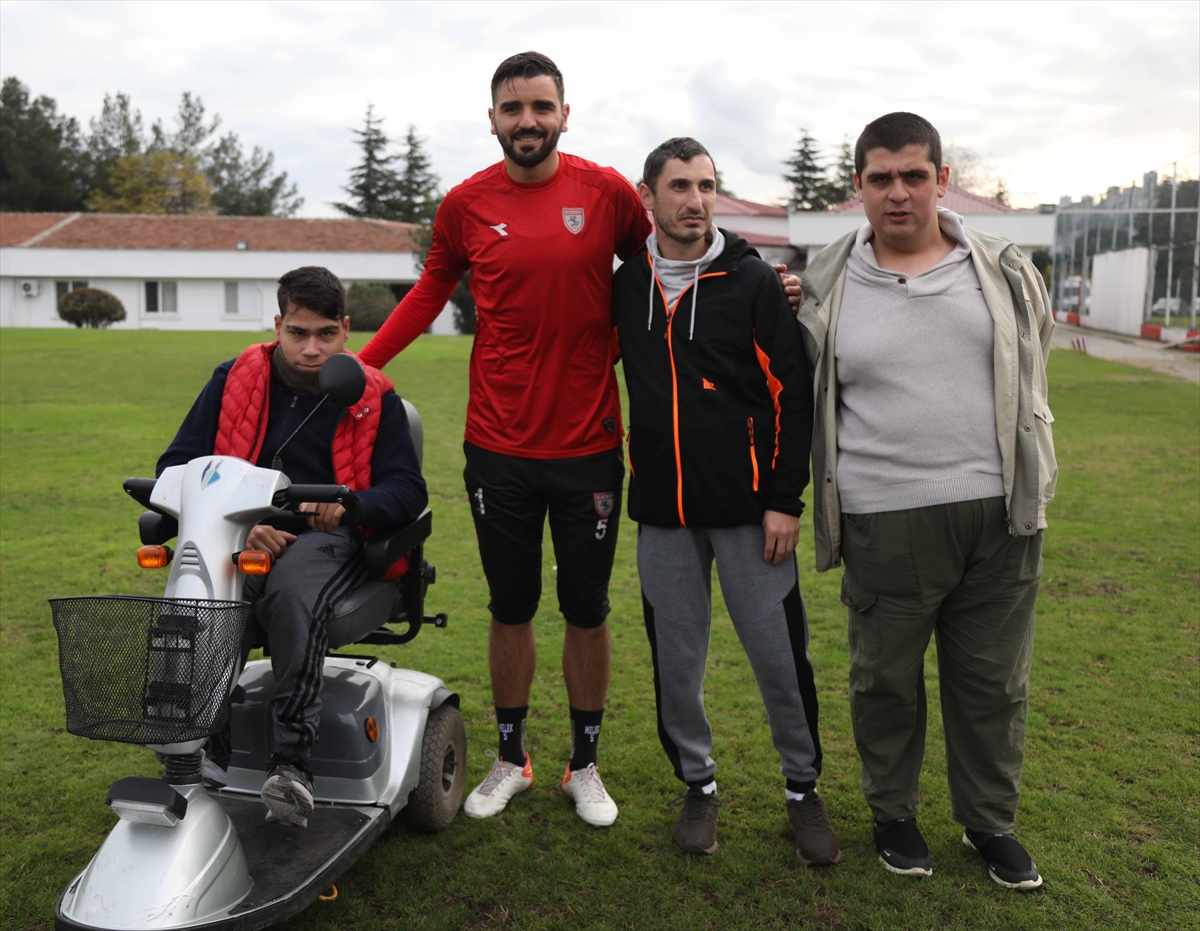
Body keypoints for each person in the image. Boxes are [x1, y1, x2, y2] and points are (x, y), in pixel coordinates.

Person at [356, 51, 651, 827]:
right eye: (513, 108)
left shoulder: (608, 193)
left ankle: (582, 764)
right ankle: (511, 757)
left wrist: (758, 281)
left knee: (587, 606)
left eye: (541, 107)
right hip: (498, 446)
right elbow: (428, 291)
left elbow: (661, 268)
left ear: (564, 113)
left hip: (589, 442)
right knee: (511, 602)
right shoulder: (463, 204)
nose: (528, 121)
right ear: (492, 117)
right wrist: (363, 366)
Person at [797, 112, 1057, 890]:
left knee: (992, 682)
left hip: (1001, 513)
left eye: (914, 174)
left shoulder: (1002, 265)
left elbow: (1034, 353)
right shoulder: (829, 276)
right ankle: (894, 813)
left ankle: (989, 822)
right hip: (884, 516)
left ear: (942, 179)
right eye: (881, 178)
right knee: (885, 680)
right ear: (859, 189)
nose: (899, 192)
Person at [611, 137, 839, 865]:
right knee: (676, 662)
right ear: (648, 196)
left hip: (752, 512)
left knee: (780, 656)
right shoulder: (625, 284)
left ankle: (803, 789)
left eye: (706, 185)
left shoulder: (752, 280)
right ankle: (697, 783)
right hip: (662, 511)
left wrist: (785, 500)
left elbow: (790, 393)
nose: (695, 200)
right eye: (679, 186)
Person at [158, 265, 427, 827]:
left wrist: (353, 504)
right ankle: (203, 748)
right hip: (248, 531)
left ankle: (292, 765)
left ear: (346, 330)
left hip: (327, 538)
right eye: (298, 333)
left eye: (325, 334)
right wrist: (241, 521)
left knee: (289, 595)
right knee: (198, 593)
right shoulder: (232, 378)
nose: (311, 349)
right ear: (277, 324)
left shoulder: (374, 394)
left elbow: (406, 490)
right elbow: (175, 465)